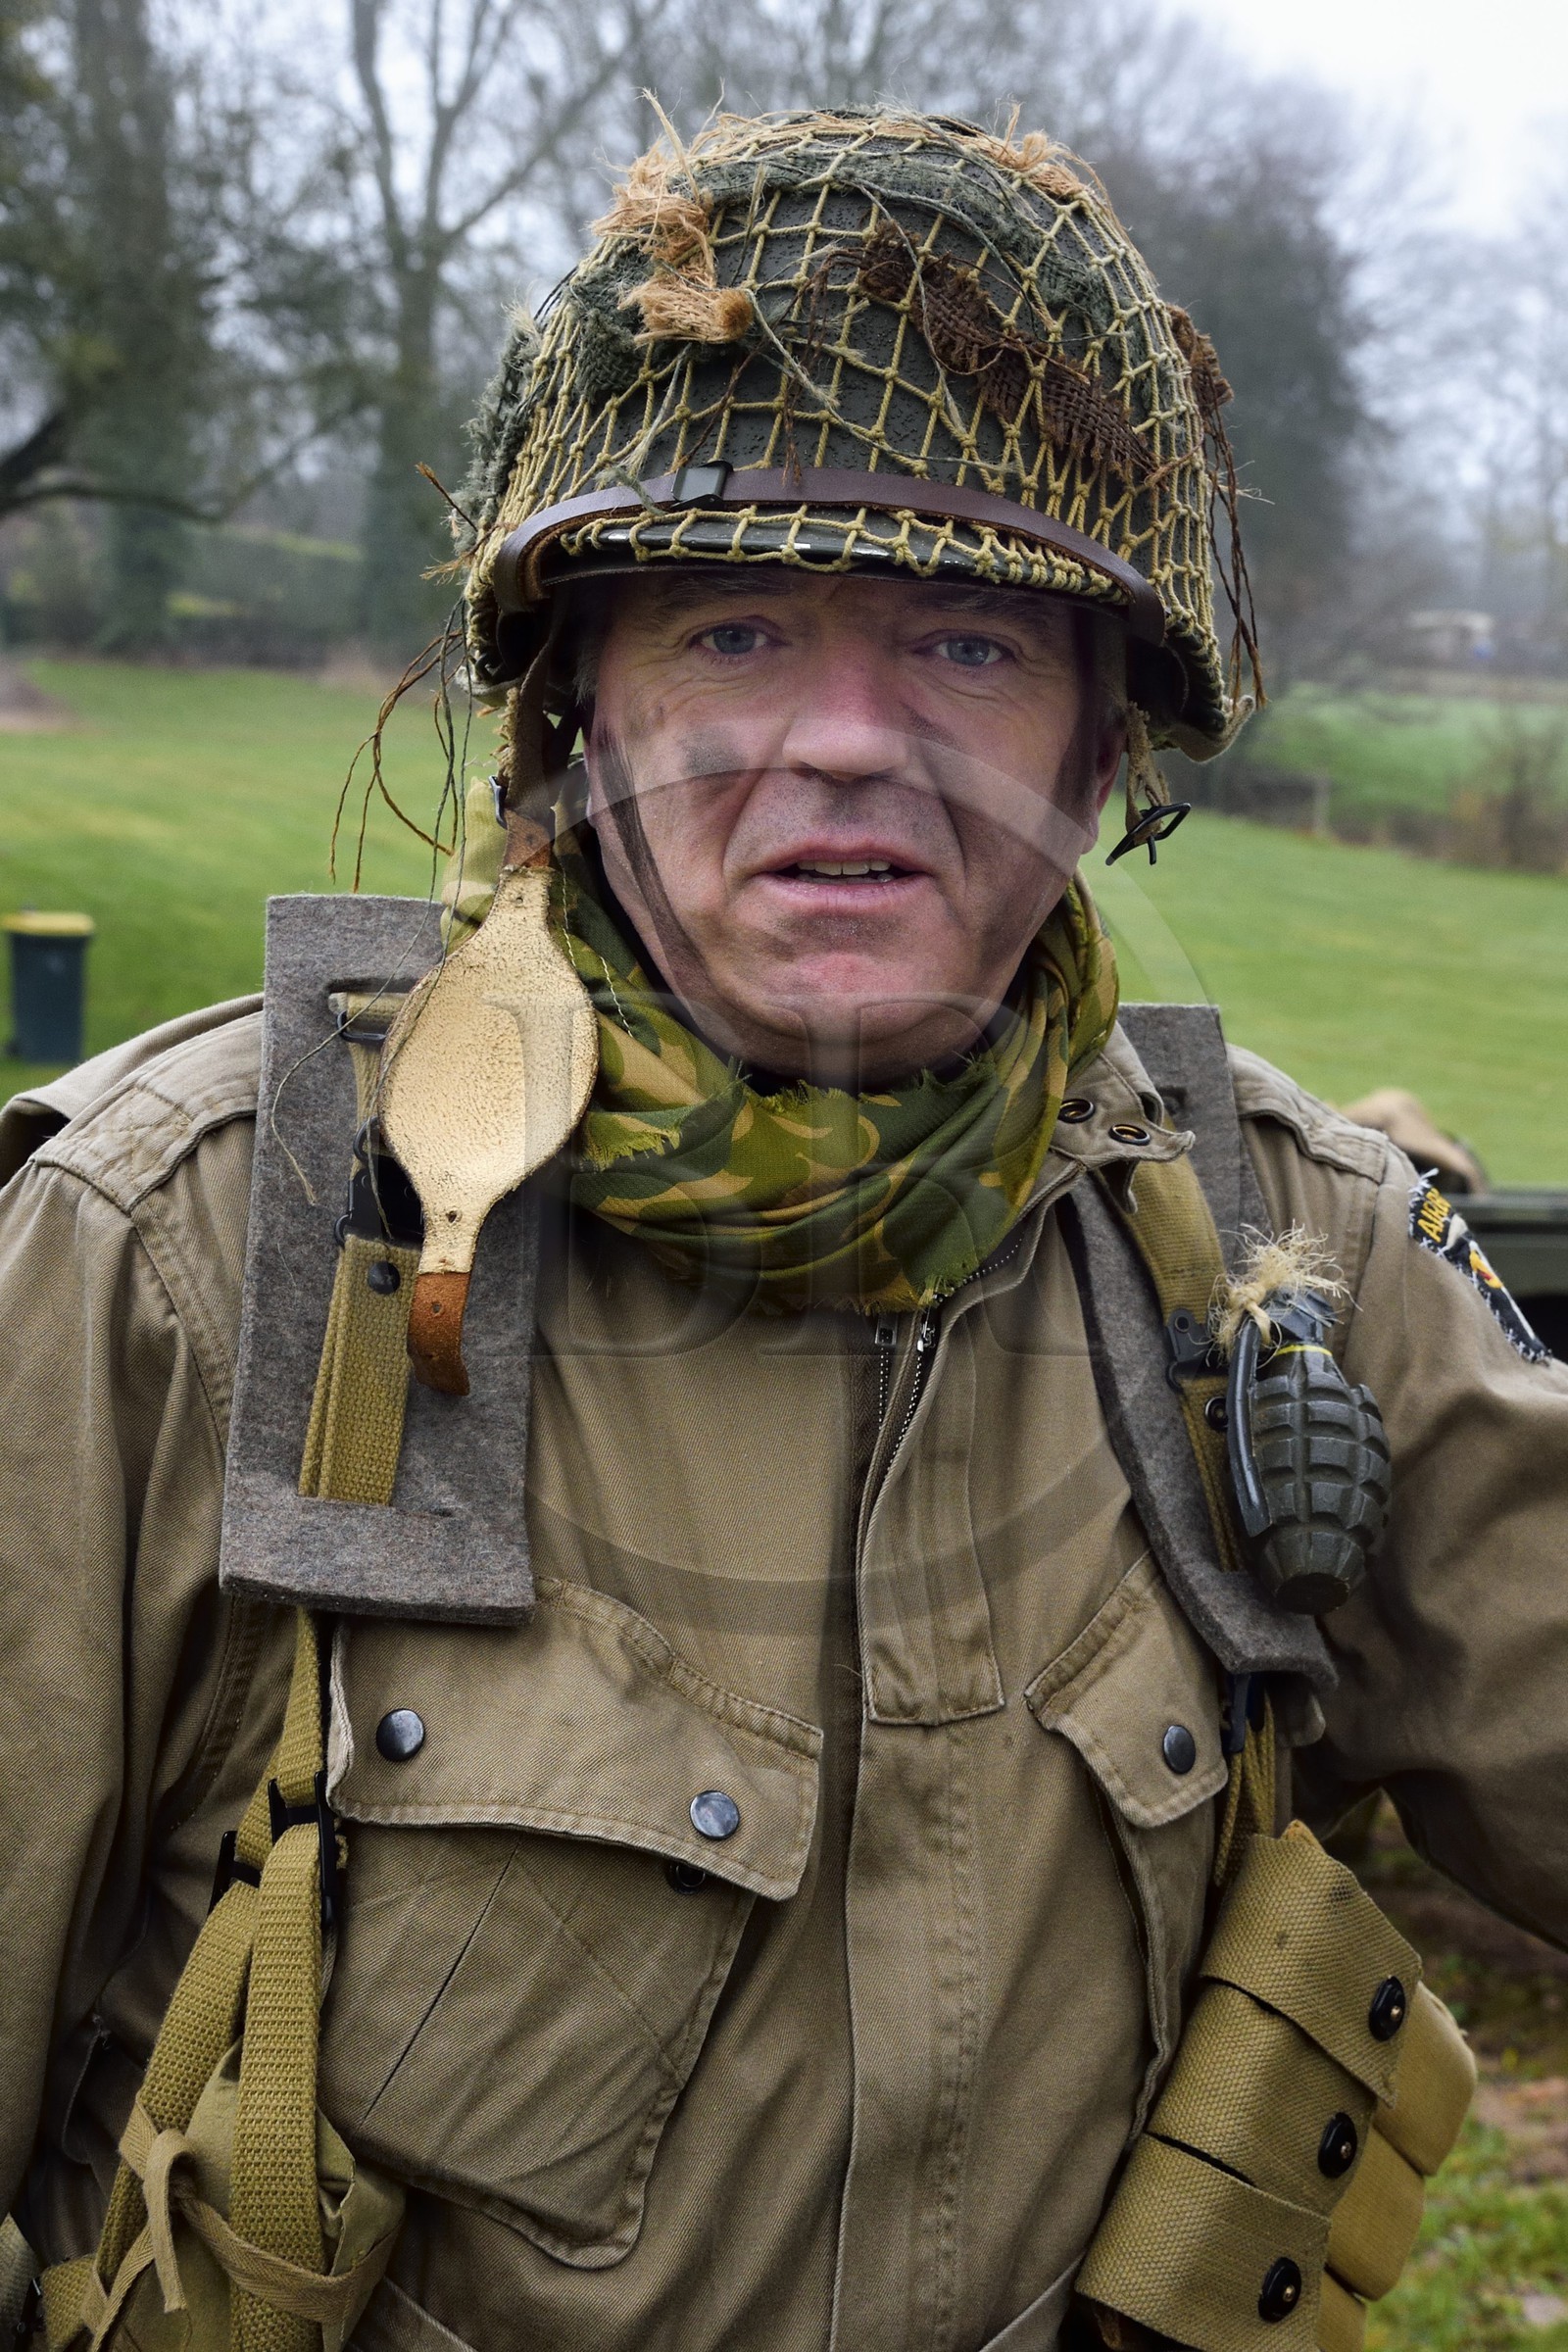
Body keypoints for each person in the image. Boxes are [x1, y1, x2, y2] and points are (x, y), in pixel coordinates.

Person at [0, 106, 1561, 2352]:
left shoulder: (1271, 1257)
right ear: (570, 721)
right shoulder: (190, 1252)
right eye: (735, 626)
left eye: (962, 647)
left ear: (1103, 744)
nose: (846, 742)